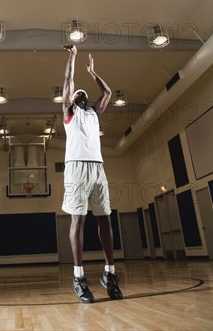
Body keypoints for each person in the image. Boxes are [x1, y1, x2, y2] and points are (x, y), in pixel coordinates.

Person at [62, 44, 123, 302]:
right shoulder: (69, 114)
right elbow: (67, 81)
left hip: (98, 168)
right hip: (76, 167)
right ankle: (78, 277)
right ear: (73, 99)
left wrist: (93, 72)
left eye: (83, 93)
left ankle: (109, 273)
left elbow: (108, 91)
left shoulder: (94, 114)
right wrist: (73, 57)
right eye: (77, 93)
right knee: (78, 220)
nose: (80, 93)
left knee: (105, 219)